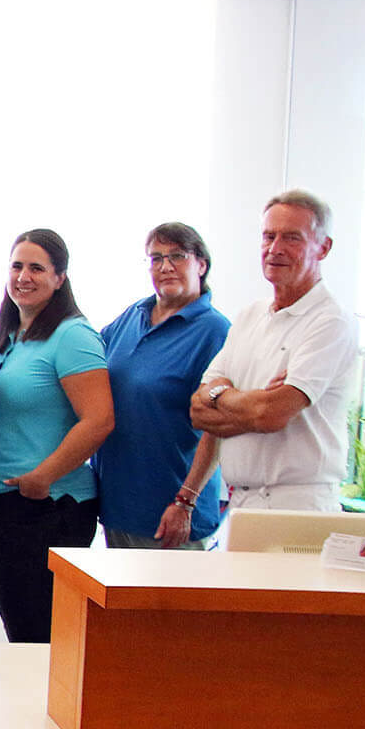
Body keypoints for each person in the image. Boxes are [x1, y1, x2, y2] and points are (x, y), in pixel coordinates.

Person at [0, 229, 113, 644]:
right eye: (17, 266)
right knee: (18, 630)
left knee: (36, 636)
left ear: (60, 277)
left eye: (37, 267)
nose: (23, 276)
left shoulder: (72, 335)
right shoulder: (9, 336)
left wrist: (44, 476)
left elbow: (100, 419)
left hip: (48, 505)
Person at [191, 190, 359, 511]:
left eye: (292, 238)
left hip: (297, 504)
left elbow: (271, 413)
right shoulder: (249, 316)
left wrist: (223, 397)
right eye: (269, 236)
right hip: (241, 502)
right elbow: (197, 411)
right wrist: (249, 403)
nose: (275, 249)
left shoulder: (331, 321)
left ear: (323, 248)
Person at [94, 222, 232, 549]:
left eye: (177, 256)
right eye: (155, 258)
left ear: (202, 264)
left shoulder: (215, 331)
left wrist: (186, 502)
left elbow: (219, 428)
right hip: (117, 508)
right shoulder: (131, 317)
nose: (165, 266)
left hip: (173, 516)